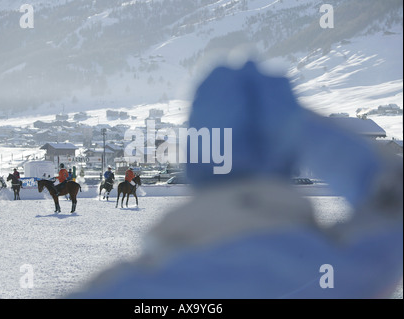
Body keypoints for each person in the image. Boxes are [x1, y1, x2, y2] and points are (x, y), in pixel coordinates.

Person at [67, 61, 403, 299]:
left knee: (125, 184)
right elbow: (392, 191)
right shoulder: (357, 271)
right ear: (290, 152)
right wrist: (290, 124)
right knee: (115, 182)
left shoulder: (119, 291)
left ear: (197, 156)